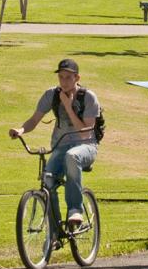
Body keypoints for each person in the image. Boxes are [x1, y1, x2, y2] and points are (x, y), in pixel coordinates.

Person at [9, 58, 100, 228]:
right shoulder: (51, 95)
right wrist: (20, 130)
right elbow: (34, 120)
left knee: (72, 156)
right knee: (48, 180)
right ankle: (55, 231)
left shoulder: (88, 97)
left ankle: (75, 210)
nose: (64, 81)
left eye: (68, 77)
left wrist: (68, 107)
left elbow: (85, 132)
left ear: (77, 78)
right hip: (60, 145)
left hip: (86, 146)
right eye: (61, 77)